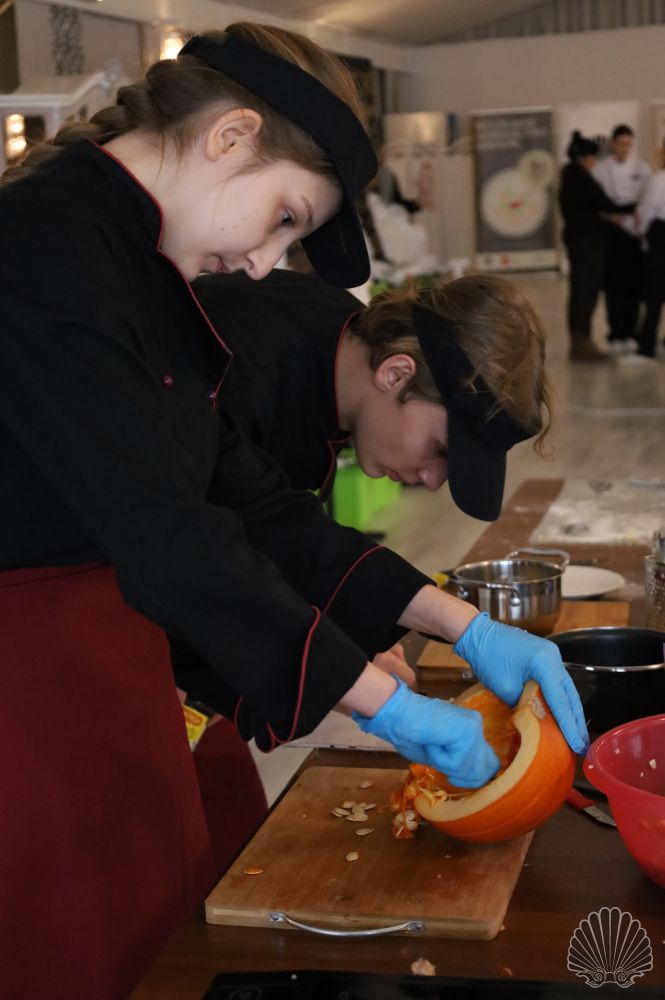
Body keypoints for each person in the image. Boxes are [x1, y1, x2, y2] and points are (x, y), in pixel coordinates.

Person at [0, 22, 587, 999]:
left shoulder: (142, 265)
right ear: (228, 136)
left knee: (163, 931)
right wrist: (383, 703)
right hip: (30, 663)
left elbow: (250, 503)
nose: (266, 263)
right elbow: (169, 535)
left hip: (100, 646)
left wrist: (462, 624)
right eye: (282, 218)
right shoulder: (46, 246)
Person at [558, 130, 629, 361]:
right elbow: (605, 204)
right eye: (592, 158)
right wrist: (631, 208)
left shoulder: (571, 178)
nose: (595, 162)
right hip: (586, 244)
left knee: (581, 291)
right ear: (583, 158)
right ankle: (581, 342)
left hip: (580, 242)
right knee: (585, 292)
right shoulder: (581, 180)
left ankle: (580, 340)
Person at [593, 124, 651, 354]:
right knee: (613, 285)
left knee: (634, 285)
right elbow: (596, 202)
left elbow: (647, 200)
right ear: (613, 144)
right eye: (621, 143)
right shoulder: (601, 169)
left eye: (629, 144)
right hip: (611, 232)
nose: (625, 148)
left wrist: (638, 220)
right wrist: (611, 216)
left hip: (634, 233)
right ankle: (615, 332)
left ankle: (631, 332)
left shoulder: (641, 168)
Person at [635, 140, 665, 359]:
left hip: (660, 238)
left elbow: (647, 211)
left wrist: (642, 234)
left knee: (654, 296)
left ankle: (647, 344)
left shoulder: (658, 180)